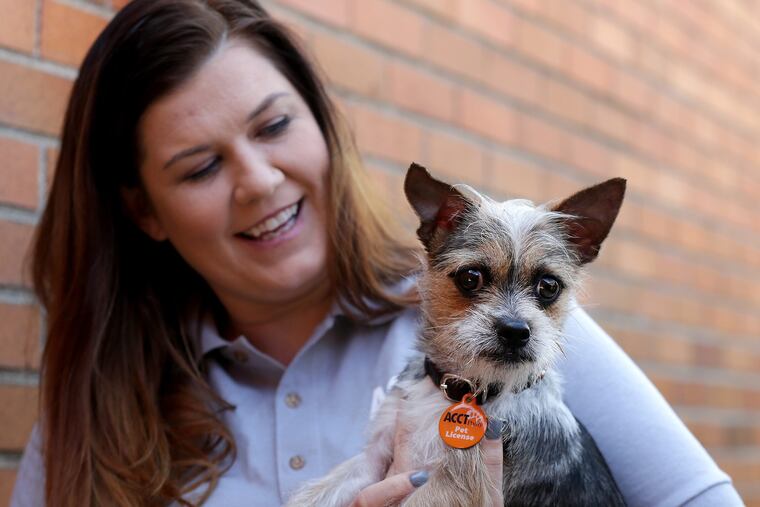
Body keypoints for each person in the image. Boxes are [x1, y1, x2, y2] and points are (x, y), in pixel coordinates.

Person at [10, 1, 743, 506]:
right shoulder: (97, 400)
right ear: (144, 210)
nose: (259, 182)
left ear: (323, 126)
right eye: (201, 167)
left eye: (273, 126)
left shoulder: (520, 346)